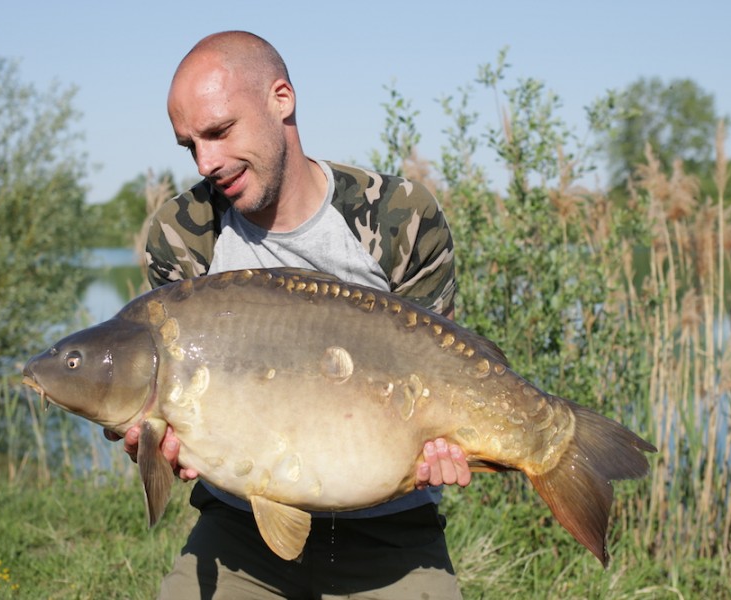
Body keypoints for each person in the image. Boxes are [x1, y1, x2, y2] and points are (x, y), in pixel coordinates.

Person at [108, 30, 472, 599]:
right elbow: (167, 408)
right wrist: (151, 437)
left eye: (221, 131)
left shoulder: (398, 218)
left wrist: (443, 446)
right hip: (240, 534)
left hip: (393, 533)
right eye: (190, 145)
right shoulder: (183, 235)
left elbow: (443, 369)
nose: (207, 162)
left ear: (282, 99)